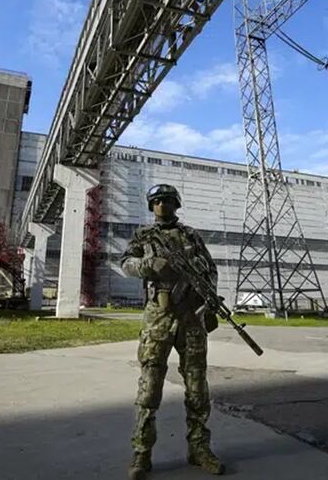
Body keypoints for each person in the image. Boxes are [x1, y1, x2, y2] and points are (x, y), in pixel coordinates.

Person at [120, 184, 223, 479]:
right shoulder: (143, 236)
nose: (161, 205)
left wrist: (210, 303)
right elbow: (125, 264)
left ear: (176, 204)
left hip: (192, 318)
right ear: (151, 206)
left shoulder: (191, 235)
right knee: (150, 388)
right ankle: (141, 454)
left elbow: (210, 271)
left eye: (166, 200)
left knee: (197, 388)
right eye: (156, 201)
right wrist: (148, 265)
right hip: (158, 318)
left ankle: (199, 449)